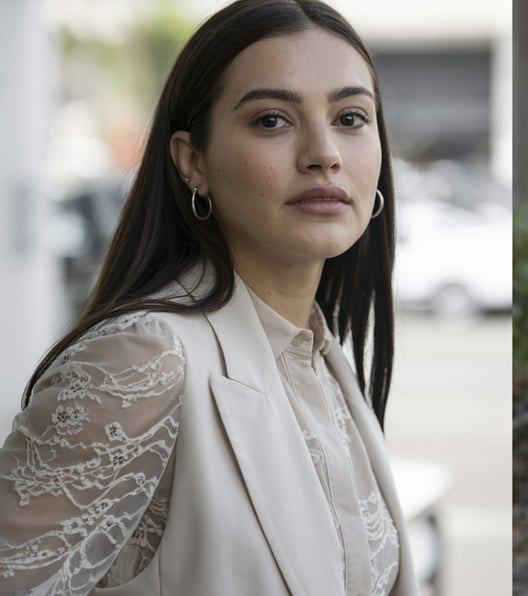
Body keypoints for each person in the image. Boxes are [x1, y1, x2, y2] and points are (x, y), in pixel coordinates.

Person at [0, 1, 419, 594]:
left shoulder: (322, 356)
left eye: (351, 117)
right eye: (272, 120)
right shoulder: (141, 360)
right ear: (192, 161)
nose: (324, 153)